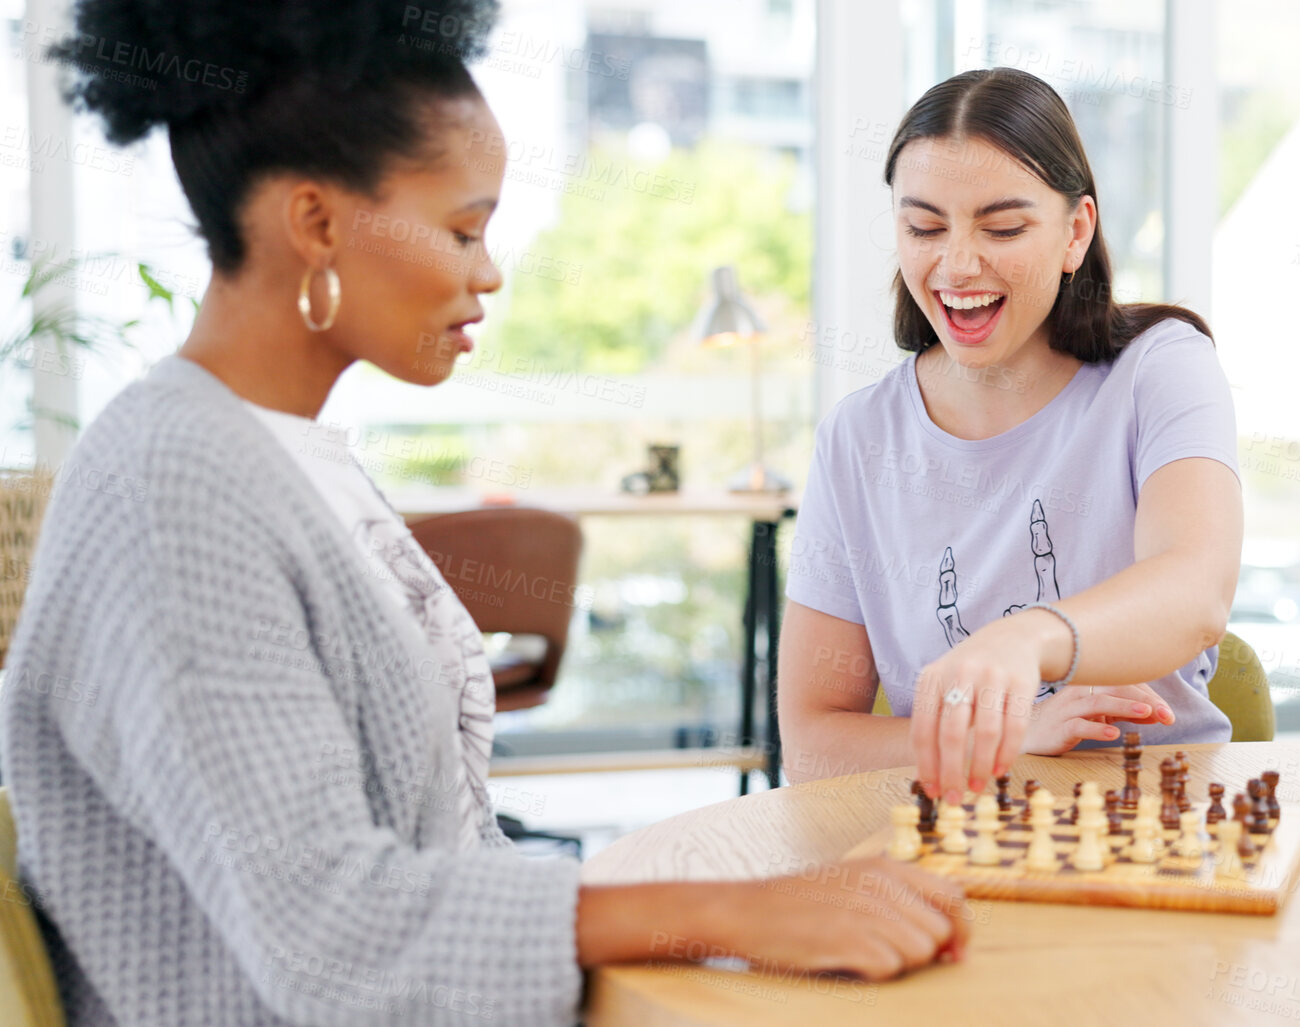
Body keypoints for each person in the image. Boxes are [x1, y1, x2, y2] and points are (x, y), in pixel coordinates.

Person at [0, 3, 964, 1023]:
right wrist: (732, 912)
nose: (490, 270)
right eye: (464, 228)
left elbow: (431, 847)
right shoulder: (175, 484)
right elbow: (330, 929)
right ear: (319, 221)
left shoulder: (287, 453)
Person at [779, 68, 1245, 806]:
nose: (957, 263)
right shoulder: (858, 436)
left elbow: (1195, 590)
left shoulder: (1160, 367)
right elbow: (811, 747)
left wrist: (1026, 638)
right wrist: (1011, 732)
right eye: (924, 227)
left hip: (1152, 816)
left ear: (1075, 232)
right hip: (954, 834)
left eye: (1002, 228)